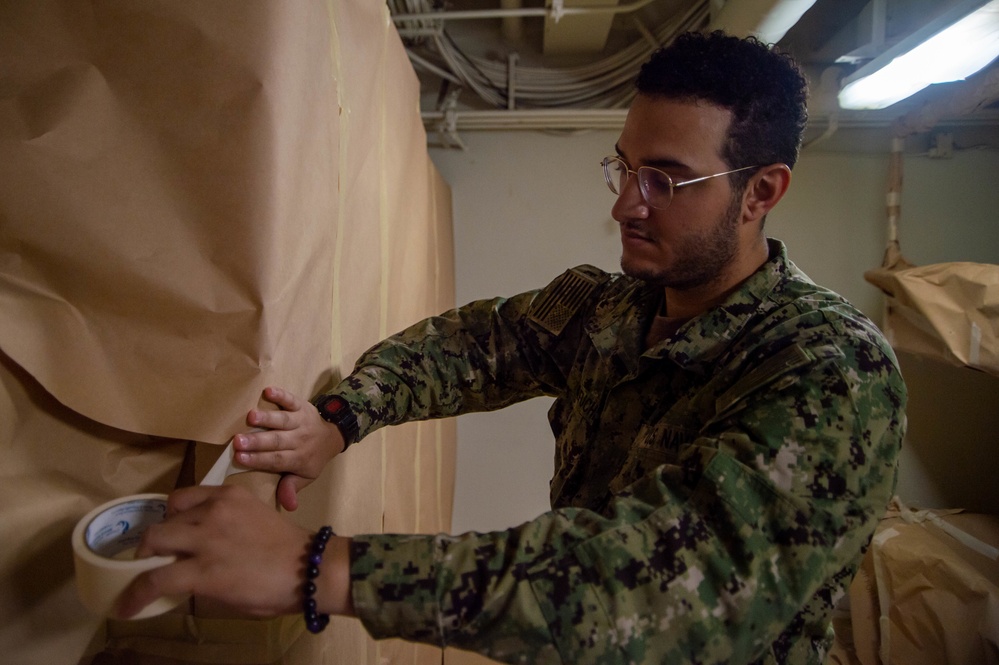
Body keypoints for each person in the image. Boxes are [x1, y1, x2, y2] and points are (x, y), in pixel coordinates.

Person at [116, 31, 906, 664]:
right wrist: (340, 414)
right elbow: (472, 346)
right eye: (625, 167)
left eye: (665, 180)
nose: (625, 205)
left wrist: (321, 567)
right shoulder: (613, 307)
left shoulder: (830, 366)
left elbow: (663, 593)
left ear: (759, 192)